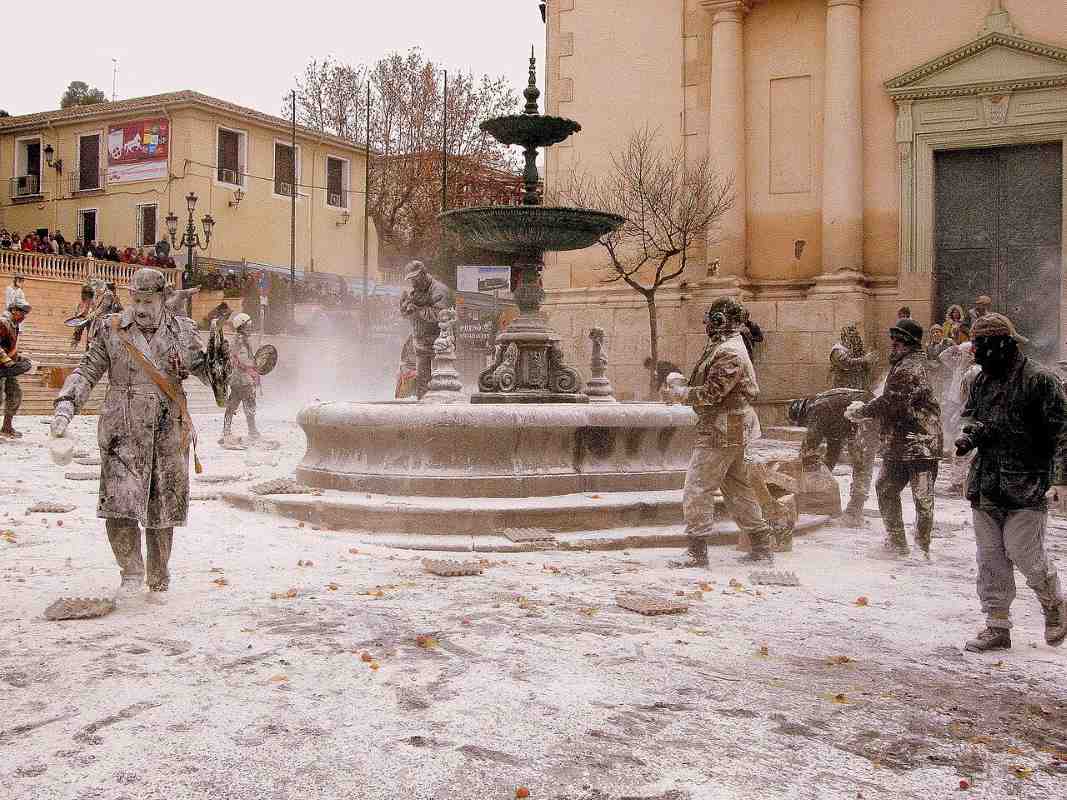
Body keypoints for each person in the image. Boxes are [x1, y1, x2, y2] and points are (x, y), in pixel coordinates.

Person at [51, 268, 221, 599]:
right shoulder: (112, 328)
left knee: (161, 510)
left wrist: (221, 368)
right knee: (119, 506)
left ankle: (158, 578)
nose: (142, 308)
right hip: (121, 431)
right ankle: (130, 574)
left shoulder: (182, 332)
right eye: (137, 300)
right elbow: (87, 370)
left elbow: (212, 380)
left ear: (163, 299)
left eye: (149, 300)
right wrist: (65, 407)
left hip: (167, 431)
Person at [954, 312, 1067, 652]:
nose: (977, 353)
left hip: (1027, 484)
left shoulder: (1039, 380)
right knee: (990, 558)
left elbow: (1063, 433)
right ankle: (996, 625)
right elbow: (975, 418)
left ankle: (1055, 605)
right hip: (986, 483)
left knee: (1024, 553)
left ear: (1004, 344)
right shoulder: (982, 380)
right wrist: (970, 437)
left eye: (983, 346)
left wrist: (1060, 479)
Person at [666, 297, 781, 566]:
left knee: (698, 485)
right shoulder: (727, 346)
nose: (706, 325)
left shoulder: (729, 351)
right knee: (736, 485)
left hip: (724, 425)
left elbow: (712, 393)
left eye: (711, 319)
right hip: (732, 424)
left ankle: (697, 550)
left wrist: (681, 394)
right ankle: (761, 543)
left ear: (720, 321)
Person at [848, 318, 943, 558]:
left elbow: (892, 402)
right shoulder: (906, 363)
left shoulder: (909, 367)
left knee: (922, 497)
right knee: (888, 488)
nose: (892, 344)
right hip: (902, 442)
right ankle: (898, 542)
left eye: (897, 340)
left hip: (920, 442)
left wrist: (861, 411)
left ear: (907, 343)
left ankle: (920, 547)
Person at [788, 388, 877, 528]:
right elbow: (832, 452)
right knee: (861, 463)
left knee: (862, 464)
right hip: (862, 411)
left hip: (867, 413)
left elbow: (809, 445)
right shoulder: (830, 412)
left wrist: (796, 478)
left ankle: (854, 513)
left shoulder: (817, 408)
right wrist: (823, 483)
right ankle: (853, 511)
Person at [399, 261, 450, 399]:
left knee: (439, 381)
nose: (413, 282)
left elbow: (440, 315)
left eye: (415, 278)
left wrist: (418, 310)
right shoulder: (416, 291)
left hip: (438, 344)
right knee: (422, 383)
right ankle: (423, 410)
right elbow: (410, 316)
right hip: (421, 343)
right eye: (410, 279)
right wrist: (405, 309)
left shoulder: (439, 289)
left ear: (423, 274)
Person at [220, 312, 260, 443]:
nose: (250, 327)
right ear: (242, 326)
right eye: (248, 325)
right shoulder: (239, 340)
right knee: (249, 403)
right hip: (242, 378)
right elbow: (238, 359)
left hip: (238, 378)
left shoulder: (242, 339)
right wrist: (251, 370)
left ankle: (226, 430)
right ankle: (252, 431)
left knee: (233, 404)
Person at [0, 298, 32, 439]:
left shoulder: (14, 324)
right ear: (13, 310)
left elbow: (10, 347)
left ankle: (7, 427)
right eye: (22, 312)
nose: (24, 316)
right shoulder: (3, 322)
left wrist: (17, 359)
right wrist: (7, 361)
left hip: (8, 368)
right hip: (2, 366)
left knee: (15, 394)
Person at [829, 322, 877, 390]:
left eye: (856, 336)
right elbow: (847, 363)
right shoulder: (838, 350)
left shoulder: (854, 348)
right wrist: (864, 359)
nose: (855, 339)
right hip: (842, 387)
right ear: (845, 337)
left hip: (855, 385)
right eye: (852, 337)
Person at [70, 283, 96, 349]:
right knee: (78, 330)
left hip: (91, 319)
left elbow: (94, 310)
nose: (85, 295)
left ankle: (88, 349)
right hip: (83, 318)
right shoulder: (82, 302)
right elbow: (78, 311)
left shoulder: (93, 301)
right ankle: (75, 343)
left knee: (90, 335)